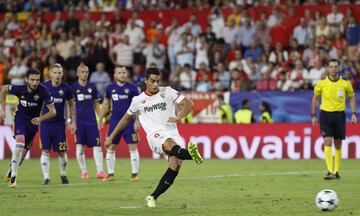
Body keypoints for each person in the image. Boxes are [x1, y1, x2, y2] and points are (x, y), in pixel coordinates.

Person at [104, 67, 203, 208]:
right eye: (152, 81)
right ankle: (193, 156)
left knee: (175, 165)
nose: (156, 84)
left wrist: (178, 116)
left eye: (158, 81)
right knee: (169, 144)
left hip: (173, 132)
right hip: (155, 136)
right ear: (146, 81)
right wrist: (111, 137)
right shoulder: (138, 100)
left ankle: (153, 196)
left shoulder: (168, 91)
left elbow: (189, 104)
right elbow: (125, 120)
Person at [0, 69, 56, 188]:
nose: (35, 82)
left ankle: (11, 170)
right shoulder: (19, 89)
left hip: (33, 124)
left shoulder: (43, 91)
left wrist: (40, 119)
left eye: (37, 80)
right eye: (32, 80)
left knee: (22, 156)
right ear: (26, 79)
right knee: (19, 144)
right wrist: (3, 109)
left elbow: (53, 112)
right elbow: (4, 88)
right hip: (20, 119)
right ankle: (13, 178)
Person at [311, 58, 357, 180]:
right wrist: (314, 115)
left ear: (339, 68)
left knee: (338, 144)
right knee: (327, 141)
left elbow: (351, 97)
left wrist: (353, 113)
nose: (333, 69)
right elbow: (315, 99)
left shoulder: (345, 83)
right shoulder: (321, 83)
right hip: (325, 115)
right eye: (331, 66)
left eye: (335, 66)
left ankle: (336, 172)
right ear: (328, 68)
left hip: (339, 115)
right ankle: (330, 171)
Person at [99, 65, 140, 182]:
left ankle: (134, 174)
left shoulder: (132, 88)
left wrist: (137, 120)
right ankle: (110, 174)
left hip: (129, 121)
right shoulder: (110, 88)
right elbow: (106, 104)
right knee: (110, 147)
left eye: (124, 72)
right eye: (120, 72)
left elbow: (137, 106)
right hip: (115, 121)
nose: (122, 74)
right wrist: (101, 118)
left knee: (133, 147)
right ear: (115, 75)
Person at [40, 63, 75, 185]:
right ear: (50, 73)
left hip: (60, 125)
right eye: (55, 72)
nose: (57, 75)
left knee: (62, 151)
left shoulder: (66, 88)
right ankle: (46, 177)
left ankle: (63, 175)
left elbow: (71, 105)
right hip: (45, 124)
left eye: (59, 72)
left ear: (62, 74)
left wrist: (72, 121)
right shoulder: (43, 87)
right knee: (45, 150)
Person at [71, 64, 106, 180]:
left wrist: (100, 118)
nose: (84, 74)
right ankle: (84, 172)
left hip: (91, 121)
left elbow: (96, 104)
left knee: (97, 146)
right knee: (80, 147)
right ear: (77, 73)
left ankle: (100, 171)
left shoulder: (92, 87)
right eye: (82, 72)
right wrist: (72, 122)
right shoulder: (74, 88)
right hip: (79, 122)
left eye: (86, 72)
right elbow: (71, 106)